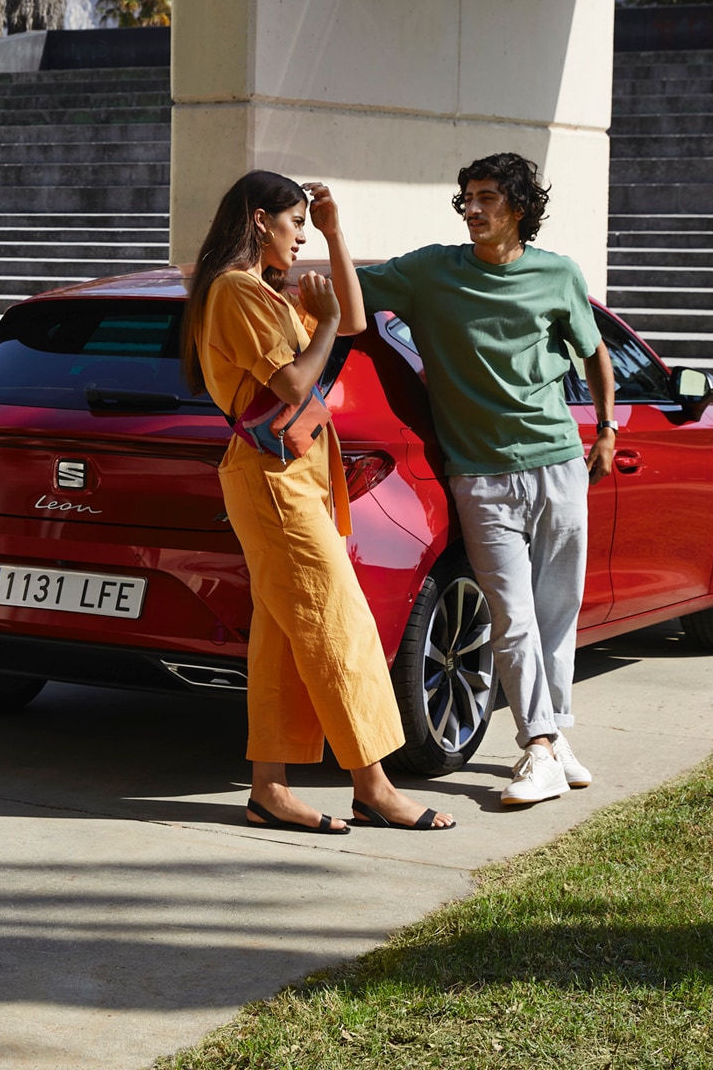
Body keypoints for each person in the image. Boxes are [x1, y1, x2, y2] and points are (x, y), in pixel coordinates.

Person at [181, 170, 455, 833]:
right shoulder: (234, 293)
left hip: (291, 476)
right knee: (339, 626)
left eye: (307, 224)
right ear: (258, 220)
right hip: (274, 482)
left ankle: (269, 789)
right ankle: (375, 786)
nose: (301, 235)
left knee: (282, 637)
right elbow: (297, 377)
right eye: (296, 222)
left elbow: (355, 321)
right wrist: (326, 320)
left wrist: (336, 236)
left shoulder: (266, 294)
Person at [356, 152, 614, 807]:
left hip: (557, 464)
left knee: (558, 613)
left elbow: (595, 349)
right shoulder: (430, 272)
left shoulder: (558, 275)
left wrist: (608, 428)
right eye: (468, 196)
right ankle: (538, 748)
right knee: (512, 615)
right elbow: (351, 291)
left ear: (520, 209)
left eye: (488, 198)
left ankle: (555, 737)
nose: (473, 208)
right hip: (481, 477)